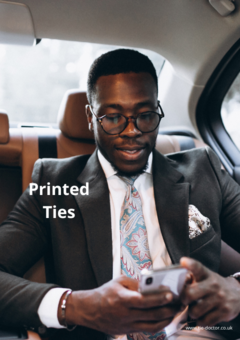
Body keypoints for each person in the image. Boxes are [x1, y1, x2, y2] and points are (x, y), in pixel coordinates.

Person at [0, 49, 240, 340]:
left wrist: (235, 288)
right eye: (113, 117)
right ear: (91, 116)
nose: (131, 131)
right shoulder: (53, 185)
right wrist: (75, 306)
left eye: (145, 115)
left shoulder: (204, 170)